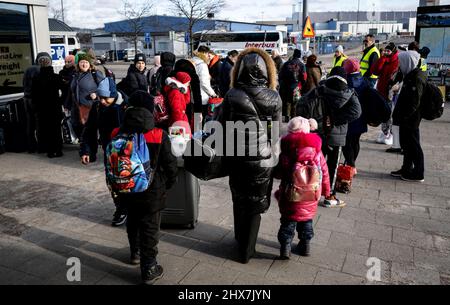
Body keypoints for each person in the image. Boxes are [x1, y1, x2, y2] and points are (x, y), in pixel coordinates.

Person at [216, 48, 282, 264]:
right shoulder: (274, 97)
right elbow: (275, 133)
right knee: (256, 202)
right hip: (263, 158)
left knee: (239, 197)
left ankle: (239, 239)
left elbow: (220, 125)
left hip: (236, 156)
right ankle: (247, 250)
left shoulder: (232, 95)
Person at [110, 92, 178, 285]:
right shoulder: (158, 134)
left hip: (125, 189)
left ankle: (135, 253)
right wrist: (166, 184)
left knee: (132, 221)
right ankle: (149, 267)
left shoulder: (117, 133)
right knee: (150, 227)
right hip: (152, 191)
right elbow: (170, 165)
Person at [296, 67, 361, 208]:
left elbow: (302, 104)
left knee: (315, 164)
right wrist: (335, 120)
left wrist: (313, 121)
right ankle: (330, 196)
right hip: (336, 136)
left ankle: (309, 193)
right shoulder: (349, 92)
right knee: (332, 166)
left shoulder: (321, 88)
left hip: (317, 133)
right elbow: (357, 111)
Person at [273, 117, 330, 258]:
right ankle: (305, 246)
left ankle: (285, 247)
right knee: (306, 219)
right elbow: (324, 170)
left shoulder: (286, 150)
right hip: (311, 193)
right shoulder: (316, 150)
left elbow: (279, 173)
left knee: (288, 221)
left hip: (290, 194)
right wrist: (326, 189)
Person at [80, 77, 129, 226]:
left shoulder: (127, 106)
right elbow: (89, 130)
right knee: (113, 182)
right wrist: (86, 151)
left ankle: (130, 207)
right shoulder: (97, 107)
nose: (102, 101)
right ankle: (121, 208)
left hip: (129, 151)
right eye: (100, 97)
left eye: (105, 98)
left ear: (113, 95)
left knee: (129, 181)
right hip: (110, 150)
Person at [391, 51, 427, 183]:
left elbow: (414, 102)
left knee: (414, 145)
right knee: (406, 144)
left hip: (411, 118)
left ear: (408, 62)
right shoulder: (410, 75)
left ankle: (418, 173)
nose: (399, 64)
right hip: (406, 117)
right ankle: (406, 168)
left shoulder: (416, 78)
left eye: (401, 62)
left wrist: (405, 117)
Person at [31, 53, 63, 158]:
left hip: (42, 108)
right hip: (54, 106)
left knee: (46, 129)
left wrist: (35, 107)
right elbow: (64, 90)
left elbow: (33, 95)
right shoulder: (56, 77)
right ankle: (58, 150)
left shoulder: (36, 78)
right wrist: (60, 101)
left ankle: (50, 151)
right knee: (57, 129)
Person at [67, 52, 104, 139]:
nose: (84, 64)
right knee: (76, 126)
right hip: (76, 107)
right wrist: (66, 104)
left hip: (89, 107)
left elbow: (105, 88)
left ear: (90, 64)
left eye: (86, 62)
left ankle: (88, 148)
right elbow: (70, 90)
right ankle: (84, 144)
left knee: (88, 129)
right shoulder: (74, 75)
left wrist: (97, 94)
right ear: (78, 63)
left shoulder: (95, 74)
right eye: (82, 62)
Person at [342, 58, 369, 175]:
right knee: (356, 141)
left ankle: (351, 165)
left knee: (346, 143)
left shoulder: (347, 82)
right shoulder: (364, 81)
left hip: (349, 118)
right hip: (361, 117)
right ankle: (352, 163)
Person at [371, 42, 399, 146]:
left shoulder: (397, 61)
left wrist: (392, 88)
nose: (386, 52)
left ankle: (390, 134)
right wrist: (382, 59)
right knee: (383, 113)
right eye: (385, 50)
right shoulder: (384, 59)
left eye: (389, 51)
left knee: (390, 114)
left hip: (390, 92)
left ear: (393, 51)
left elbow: (395, 77)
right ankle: (384, 132)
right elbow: (375, 71)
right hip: (381, 91)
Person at [23, 52, 51, 153]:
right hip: (37, 100)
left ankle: (31, 147)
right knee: (40, 124)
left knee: (30, 124)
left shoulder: (28, 69)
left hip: (27, 99)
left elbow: (24, 84)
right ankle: (42, 147)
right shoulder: (41, 70)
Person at [279, 49, 307, 122]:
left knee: (287, 101)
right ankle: (294, 118)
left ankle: (287, 117)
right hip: (296, 86)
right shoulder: (301, 65)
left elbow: (280, 75)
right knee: (295, 103)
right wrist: (302, 85)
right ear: (299, 55)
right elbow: (304, 77)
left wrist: (282, 84)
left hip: (286, 86)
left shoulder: (286, 63)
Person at [173, 59, 203, 128]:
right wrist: (199, 112)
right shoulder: (193, 76)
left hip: (176, 119)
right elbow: (197, 96)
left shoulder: (173, 81)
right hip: (183, 115)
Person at [192, 47, 217, 121]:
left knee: (196, 118)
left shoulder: (193, 61)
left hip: (193, 96)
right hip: (202, 97)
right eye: (207, 54)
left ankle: (196, 131)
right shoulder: (202, 65)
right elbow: (204, 83)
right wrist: (213, 94)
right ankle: (200, 132)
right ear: (204, 53)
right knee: (201, 119)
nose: (208, 56)